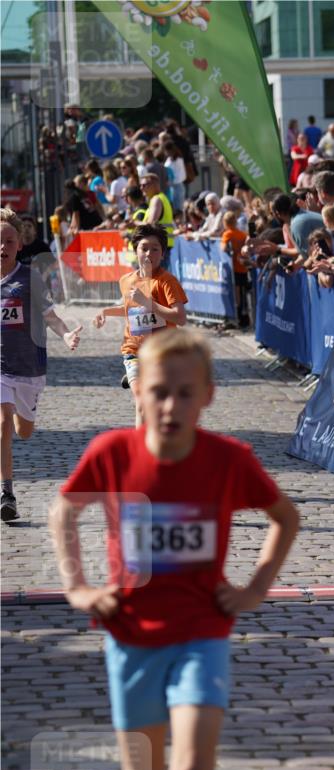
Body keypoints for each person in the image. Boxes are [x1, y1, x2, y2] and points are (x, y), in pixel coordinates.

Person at [49, 328, 299, 770]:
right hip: (130, 634)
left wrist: (255, 588)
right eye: (158, 392)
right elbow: (64, 512)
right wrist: (78, 587)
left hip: (201, 633)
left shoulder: (228, 459)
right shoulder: (110, 453)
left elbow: (285, 516)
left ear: (208, 396)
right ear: (137, 392)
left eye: (185, 393)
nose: (170, 406)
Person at [1, 208, 81, 522]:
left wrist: (66, 334)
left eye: (9, 241)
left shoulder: (29, 277)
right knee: (3, 424)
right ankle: (7, 494)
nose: (3, 247)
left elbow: (49, 316)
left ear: (19, 244)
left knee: (24, 431)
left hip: (29, 369)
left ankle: (20, 412)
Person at [93, 224, 187, 426]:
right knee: (142, 403)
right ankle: (141, 446)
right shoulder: (126, 280)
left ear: (163, 253)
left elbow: (180, 317)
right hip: (134, 350)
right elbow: (130, 309)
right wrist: (105, 311)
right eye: (144, 248)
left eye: (155, 249)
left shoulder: (167, 282)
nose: (149, 253)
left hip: (162, 352)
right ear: (135, 251)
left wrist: (148, 303)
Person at [221, 210, 250, 329]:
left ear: (225, 223)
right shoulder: (242, 234)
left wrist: (230, 250)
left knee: (236, 293)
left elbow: (223, 248)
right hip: (243, 266)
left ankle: (238, 317)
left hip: (234, 267)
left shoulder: (227, 234)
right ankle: (245, 318)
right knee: (243, 293)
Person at [140, 174, 175, 268]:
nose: (141, 188)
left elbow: (151, 223)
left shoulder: (156, 199)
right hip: (161, 244)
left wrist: (135, 224)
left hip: (158, 245)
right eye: (141, 185)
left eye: (144, 185)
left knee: (157, 276)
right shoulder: (162, 198)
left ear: (155, 185)